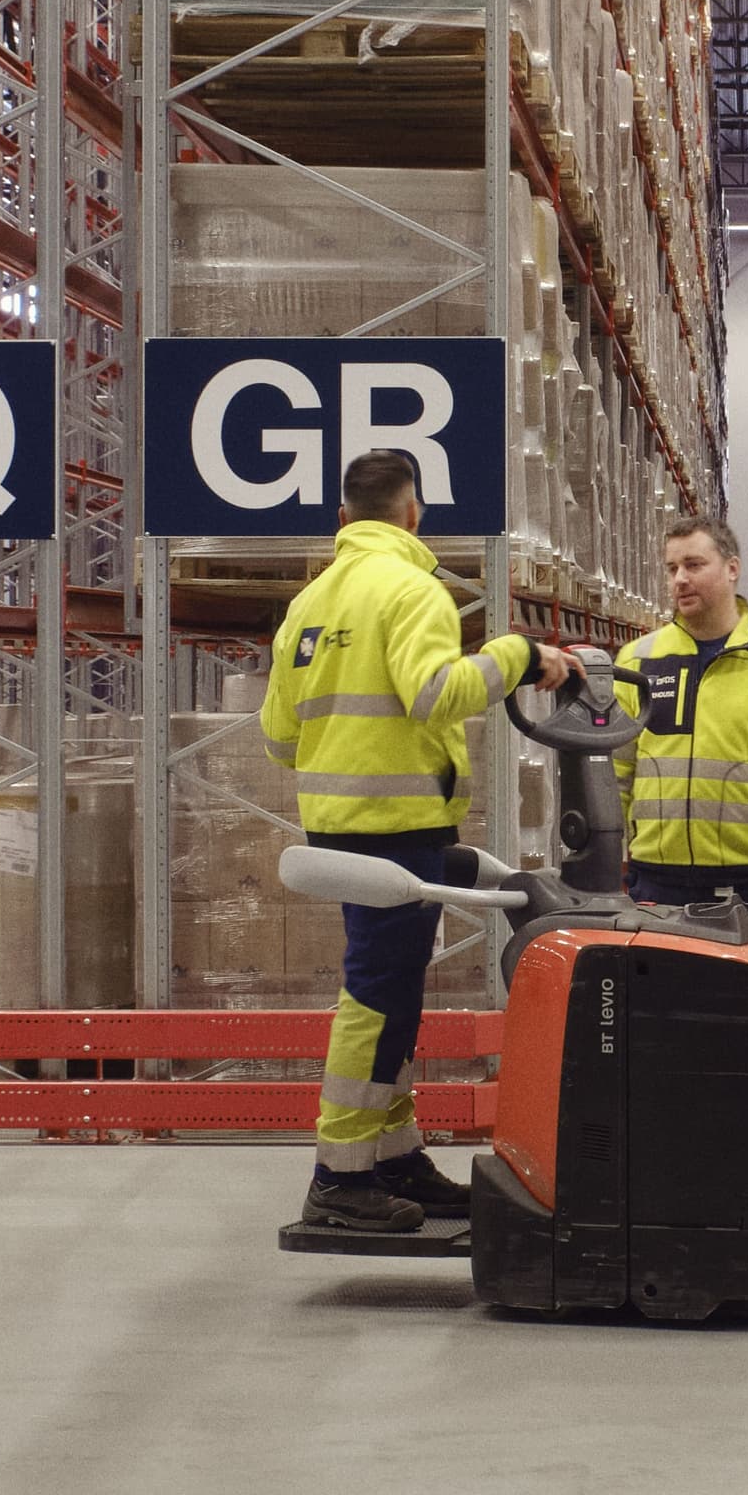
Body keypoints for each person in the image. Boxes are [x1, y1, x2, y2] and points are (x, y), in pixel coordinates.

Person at [263, 449, 574, 1234]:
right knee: (375, 998)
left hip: (340, 826)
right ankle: (338, 1177)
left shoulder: (308, 604)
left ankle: (392, 1158)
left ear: (343, 518)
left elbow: (278, 737)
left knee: (395, 996)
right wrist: (517, 655)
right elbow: (437, 693)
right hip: (395, 824)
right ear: (413, 514)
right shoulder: (413, 589)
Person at [610, 515, 748, 929]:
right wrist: (608, 862)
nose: (680, 579)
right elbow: (617, 773)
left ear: (732, 569)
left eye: (694, 565)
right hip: (654, 882)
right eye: (672, 568)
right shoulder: (638, 660)